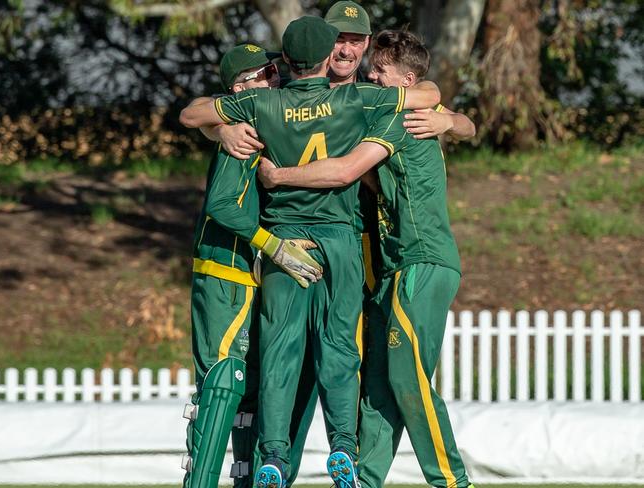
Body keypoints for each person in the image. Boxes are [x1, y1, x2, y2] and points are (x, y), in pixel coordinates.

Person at [180, 15, 441, 488]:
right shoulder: (355, 97)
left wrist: (222, 128)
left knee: (280, 352)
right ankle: (343, 444)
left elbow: (192, 114)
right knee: (340, 347)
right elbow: (427, 95)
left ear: (285, 60)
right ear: (326, 58)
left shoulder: (260, 103)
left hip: (285, 239)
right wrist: (448, 118)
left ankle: (274, 457)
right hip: (340, 239)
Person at [257, 29, 476, 488]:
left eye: (381, 70)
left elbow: (345, 171)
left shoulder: (402, 113)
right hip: (393, 268)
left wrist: (280, 176)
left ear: (407, 80)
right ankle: (364, 479)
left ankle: (453, 481)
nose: (371, 74)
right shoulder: (387, 108)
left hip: (424, 262)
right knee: (378, 383)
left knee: (409, 378)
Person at [179, 43, 322, 488]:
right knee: (224, 383)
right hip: (226, 272)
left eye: (276, 71)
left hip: (251, 274)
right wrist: (274, 246)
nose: (276, 79)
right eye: (266, 74)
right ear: (241, 88)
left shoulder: (264, 123)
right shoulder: (240, 131)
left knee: (254, 394)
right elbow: (223, 205)